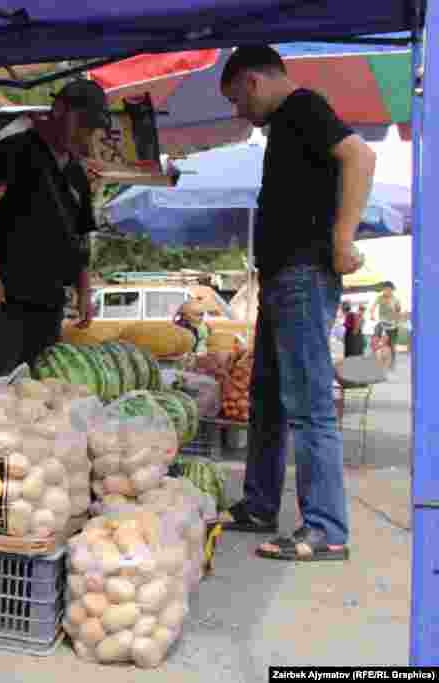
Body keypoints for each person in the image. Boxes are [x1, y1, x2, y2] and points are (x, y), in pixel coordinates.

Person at [217, 46, 375, 562]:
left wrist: (343, 239)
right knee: (266, 398)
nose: (238, 111)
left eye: (236, 98)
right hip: (283, 276)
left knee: (308, 407)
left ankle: (327, 529)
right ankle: (260, 504)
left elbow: (360, 155)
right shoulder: (287, 124)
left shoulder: (304, 107)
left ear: (253, 81)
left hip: (305, 275)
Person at [0, 79, 110, 381]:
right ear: (59, 110)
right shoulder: (14, 150)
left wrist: (85, 291)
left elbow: (82, 236)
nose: (86, 132)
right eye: (83, 122)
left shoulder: (77, 174)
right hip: (6, 297)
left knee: (40, 390)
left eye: (92, 126)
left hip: (50, 303)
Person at [370, 281, 402, 367]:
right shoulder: (380, 297)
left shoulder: (396, 300)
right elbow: (373, 306)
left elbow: (398, 311)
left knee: (391, 345)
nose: (386, 291)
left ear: (392, 290)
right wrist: (372, 314)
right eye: (384, 289)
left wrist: (396, 311)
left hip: (392, 326)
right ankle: (375, 359)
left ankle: (392, 363)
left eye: (388, 289)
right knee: (375, 338)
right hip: (382, 323)